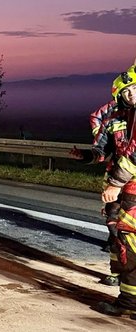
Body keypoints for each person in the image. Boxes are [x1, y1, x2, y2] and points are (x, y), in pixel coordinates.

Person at [91, 63, 136, 318]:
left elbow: (134, 156)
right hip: (126, 188)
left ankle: (129, 301)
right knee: (122, 238)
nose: (132, 95)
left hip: (128, 187)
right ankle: (127, 295)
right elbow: (107, 149)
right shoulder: (119, 119)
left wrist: (115, 183)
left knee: (128, 242)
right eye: (128, 91)